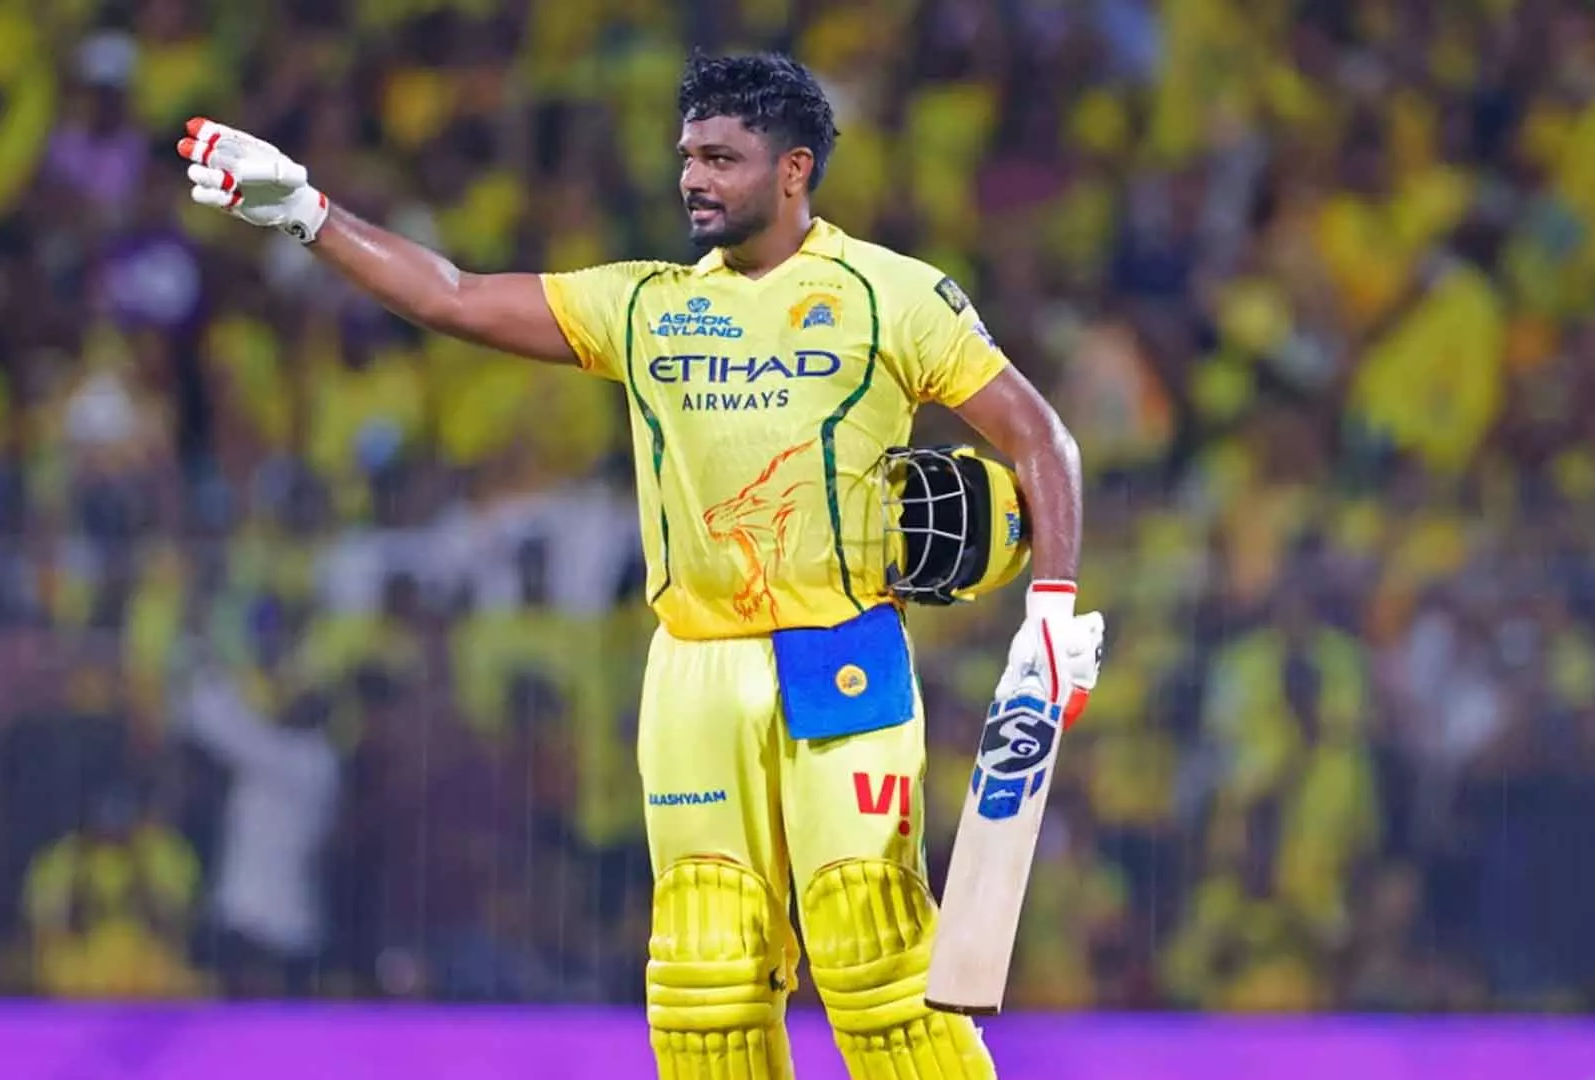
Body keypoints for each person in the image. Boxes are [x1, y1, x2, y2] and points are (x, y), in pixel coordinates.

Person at [176, 52, 1105, 1080]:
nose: (693, 179)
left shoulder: (894, 295)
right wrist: (306, 212)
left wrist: (1051, 616)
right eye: (687, 156)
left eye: (722, 158)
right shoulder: (645, 305)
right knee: (707, 981)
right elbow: (452, 296)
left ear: (794, 169)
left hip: (840, 652)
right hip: (694, 668)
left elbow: (1040, 438)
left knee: (873, 954)